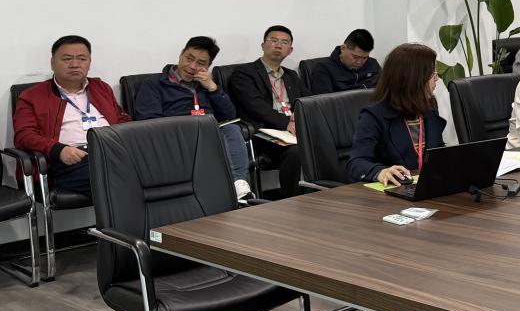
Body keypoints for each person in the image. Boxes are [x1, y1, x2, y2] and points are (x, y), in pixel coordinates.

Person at [133, 36, 254, 199]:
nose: (192, 66)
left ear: (208, 66)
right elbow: (148, 122)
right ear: (181, 54)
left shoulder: (206, 85)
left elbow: (229, 115)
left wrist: (213, 88)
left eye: (201, 63)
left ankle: (240, 188)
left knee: (232, 129)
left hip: (209, 137)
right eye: (189, 59)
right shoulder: (154, 84)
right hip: (176, 139)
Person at [13, 35, 130, 198]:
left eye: (82, 59)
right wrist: (58, 150)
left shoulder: (101, 87)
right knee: (124, 180)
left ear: (89, 62)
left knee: (155, 167)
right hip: (69, 161)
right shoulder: (32, 96)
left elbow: (122, 119)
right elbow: (24, 136)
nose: (75, 64)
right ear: (52, 63)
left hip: (111, 153)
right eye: (67, 59)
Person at [344, 44, 448, 186]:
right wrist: (380, 172)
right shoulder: (374, 116)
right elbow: (355, 164)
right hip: (393, 192)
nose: (437, 79)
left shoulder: (429, 108)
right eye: (432, 74)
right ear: (413, 78)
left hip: (427, 188)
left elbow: (437, 150)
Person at [227, 25, 307, 198]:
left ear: (290, 50)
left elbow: (308, 101)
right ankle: (292, 199)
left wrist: (301, 118)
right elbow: (255, 106)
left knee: (324, 140)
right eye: (274, 40)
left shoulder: (291, 76)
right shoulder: (244, 73)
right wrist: (286, 123)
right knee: (296, 151)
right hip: (264, 132)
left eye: (284, 42)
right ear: (263, 45)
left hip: (293, 130)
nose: (278, 45)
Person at [308, 29, 380, 94]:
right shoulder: (323, 68)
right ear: (343, 48)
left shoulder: (373, 64)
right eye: (355, 57)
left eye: (364, 58)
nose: (359, 62)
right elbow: (324, 102)